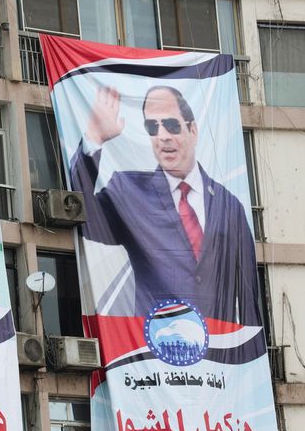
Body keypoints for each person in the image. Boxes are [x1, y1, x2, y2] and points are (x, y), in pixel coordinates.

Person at [70, 85, 260, 325]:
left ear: (192, 130)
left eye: (171, 125)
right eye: (153, 127)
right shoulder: (130, 191)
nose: (163, 136)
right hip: (158, 351)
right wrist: (94, 138)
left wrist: (250, 356)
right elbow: (82, 216)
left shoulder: (229, 207)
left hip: (219, 354)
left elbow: (248, 293)